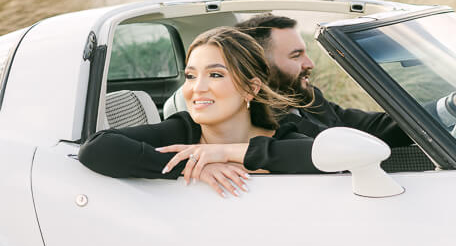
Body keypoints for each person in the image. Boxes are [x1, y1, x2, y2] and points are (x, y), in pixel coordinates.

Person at [79, 26, 329, 196]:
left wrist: (222, 152)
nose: (197, 88)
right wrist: (192, 165)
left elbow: (330, 154)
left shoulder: (288, 131)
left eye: (215, 74)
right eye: (190, 76)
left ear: (250, 88)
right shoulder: (182, 131)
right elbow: (96, 148)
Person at [238, 12, 456, 143]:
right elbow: (339, 144)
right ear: (261, 67)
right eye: (296, 56)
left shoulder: (307, 98)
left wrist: (453, 104)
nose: (310, 64)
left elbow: (369, 127)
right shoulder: (248, 124)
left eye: (306, 53)